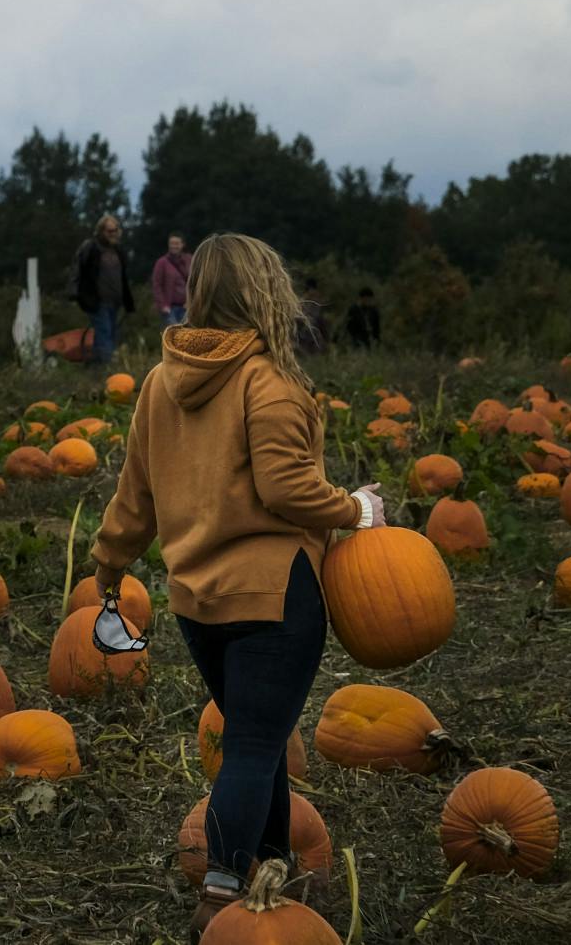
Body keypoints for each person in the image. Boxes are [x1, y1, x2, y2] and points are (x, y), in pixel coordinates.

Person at [87, 233, 385, 937]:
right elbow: (288, 487)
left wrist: (108, 562)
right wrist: (357, 509)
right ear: (265, 292)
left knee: (260, 733)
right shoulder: (267, 379)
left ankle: (275, 868)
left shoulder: (160, 382)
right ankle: (221, 897)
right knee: (255, 744)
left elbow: (136, 496)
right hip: (275, 596)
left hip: (198, 603)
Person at [70, 214, 135, 364]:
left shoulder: (118, 250)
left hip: (115, 301)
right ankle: (108, 368)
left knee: (111, 334)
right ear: (101, 231)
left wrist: (128, 301)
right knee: (104, 333)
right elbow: (77, 269)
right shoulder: (90, 247)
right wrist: (75, 293)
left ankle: (97, 366)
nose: (113, 233)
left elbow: (124, 276)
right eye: (109, 230)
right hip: (97, 301)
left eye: (115, 230)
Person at [150, 232, 193, 326]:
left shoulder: (189, 260)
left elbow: (194, 282)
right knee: (172, 336)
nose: (174, 246)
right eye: (172, 243)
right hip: (170, 308)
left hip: (186, 307)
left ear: (183, 244)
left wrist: (191, 301)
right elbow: (156, 285)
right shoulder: (162, 263)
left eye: (176, 243)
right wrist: (163, 305)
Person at [297, 278, 329, 357]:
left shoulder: (316, 298)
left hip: (313, 322)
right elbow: (300, 312)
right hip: (304, 322)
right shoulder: (304, 299)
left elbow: (317, 312)